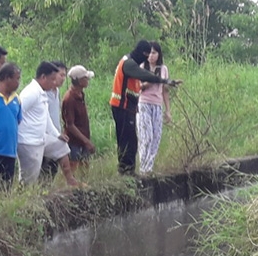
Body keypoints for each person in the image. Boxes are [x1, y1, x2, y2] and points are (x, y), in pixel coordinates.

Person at [110, 40, 176, 175]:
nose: (147, 58)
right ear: (142, 53)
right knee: (128, 141)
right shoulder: (128, 64)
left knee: (129, 140)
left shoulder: (129, 61)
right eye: (146, 55)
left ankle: (127, 171)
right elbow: (144, 75)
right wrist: (164, 81)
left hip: (127, 107)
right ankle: (126, 171)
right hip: (122, 105)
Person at [17, 62, 80, 187]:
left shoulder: (42, 92)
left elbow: (46, 117)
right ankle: (25, 198)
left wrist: (57, 135)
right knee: (29, 178)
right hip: (29, 141)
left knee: (61, 146)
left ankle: (70, 180)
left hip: (41, 137)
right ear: (43, 77)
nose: (54, 83)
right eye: (52, 80)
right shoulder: (31, 93)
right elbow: (17, 113)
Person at [137, 41, 172, 174]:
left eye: (154, 53)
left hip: (157, 105)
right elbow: (138, 86)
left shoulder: (163, 69)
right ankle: (143, 168)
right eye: (149, 53)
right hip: (144, 103)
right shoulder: (142, 67)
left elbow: (165, 90)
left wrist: (168, 110)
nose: (151, 56)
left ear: (158, 54)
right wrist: (150, 81)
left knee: (156, 137)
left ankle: (149, 167)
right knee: (147, 136)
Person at [62, 65, 97, 165]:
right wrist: (86, 141)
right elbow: (70, 125)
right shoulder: (69, 99)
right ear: (79, 81)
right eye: (86, 78)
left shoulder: (80, 94)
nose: (88, 80)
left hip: (83, 140)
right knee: (75, 169)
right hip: (74, 143)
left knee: (84, 169)